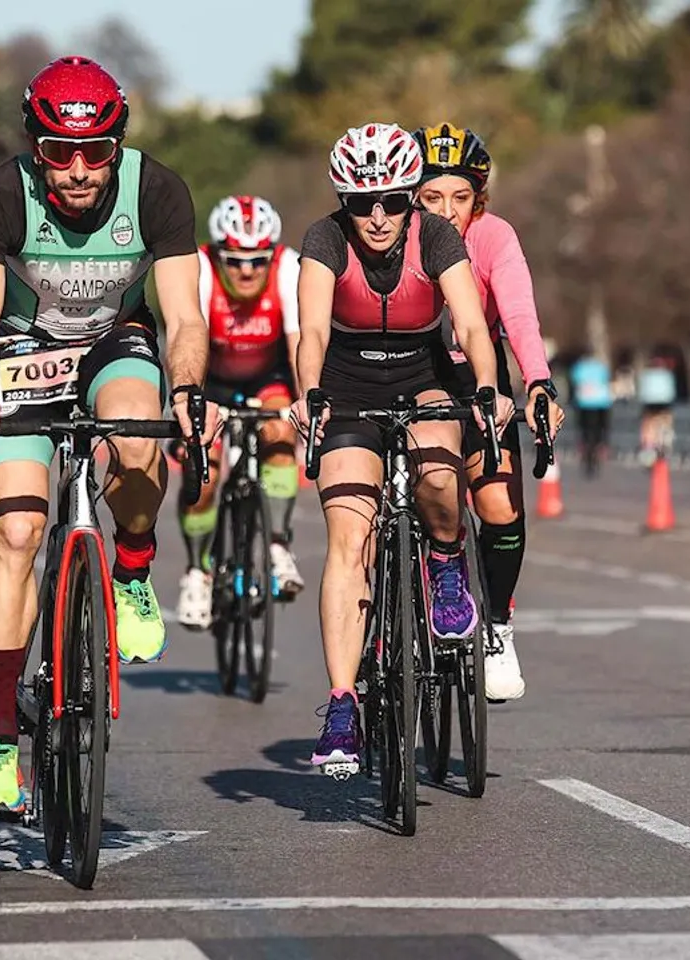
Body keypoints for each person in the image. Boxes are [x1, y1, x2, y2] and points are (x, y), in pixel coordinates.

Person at [0, 56, 214, 815]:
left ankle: (131, 569)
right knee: (19, 530)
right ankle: (0, 738)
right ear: (36, 146)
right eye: (59, 153)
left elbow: (185, 318)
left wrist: (189, 391)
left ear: (116, 142)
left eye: (96, 151)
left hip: (114, 342)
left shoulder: (158, 190)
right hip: (23, 353)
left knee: (137, 434)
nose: (78, 171)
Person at [293, 122, 510, 777]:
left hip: (424, 376)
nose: (379, 216)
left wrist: (490, 387)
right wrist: (309, 394)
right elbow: (309, 329)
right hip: (348, 381)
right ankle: (340, 704)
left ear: (410, 195)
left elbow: (470, 324)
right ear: (343, 202)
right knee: (348, 536)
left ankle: (445, 561)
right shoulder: (324, 239)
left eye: (392, 198)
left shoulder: (437, 236)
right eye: (362, 203)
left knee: (440, 475)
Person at [413, 121, 562, 703]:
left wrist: (539, 382)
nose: (447, 211)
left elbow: (520, 315)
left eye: (460, 198)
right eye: (431, 197)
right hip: (410, 371)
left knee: (498, 505)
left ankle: (497, 624)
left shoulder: (495, 237)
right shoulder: (393, 235)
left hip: (478, 371)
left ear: (480, 200)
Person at [173, 195, 305, 631]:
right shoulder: (200, 269)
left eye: (257, 260)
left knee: (280, 438)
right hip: (212, 378)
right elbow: (184, 344)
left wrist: (305, 404)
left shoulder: (289, 268)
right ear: (217, 253)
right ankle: (197, 570)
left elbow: (301, 341)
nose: (247, 271)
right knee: (204, 468)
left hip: (268, 377)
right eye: (235, 260)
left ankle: (278, 546)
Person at [568, 350, 613, 478]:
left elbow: (574, 382)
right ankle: (599, 448)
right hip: (601, 402)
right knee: (601, 430)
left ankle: (586, 449)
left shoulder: (579, 367)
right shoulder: (601, 367)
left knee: (584, 430)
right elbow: (606, 379)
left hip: (584, 402)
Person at [636, 353, 678, 464]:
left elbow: (641, 392)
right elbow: (671, 392)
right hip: (664, 402)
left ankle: (648, 447)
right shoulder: (667, 374)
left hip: (649, 402)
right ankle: (665, 442)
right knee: (665, 421)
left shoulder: (645, 374)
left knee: (648, 424)